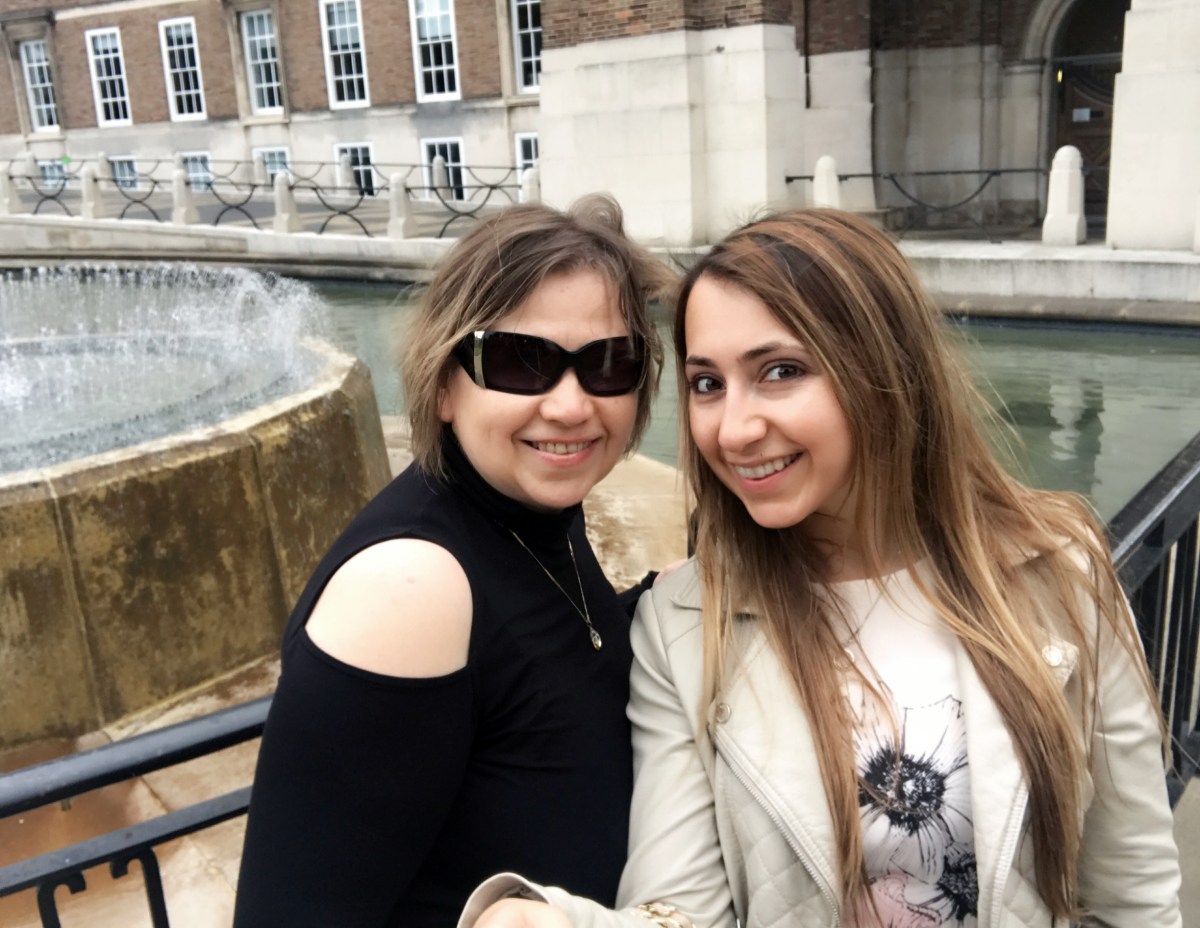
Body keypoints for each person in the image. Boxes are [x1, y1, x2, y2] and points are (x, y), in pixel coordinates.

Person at [463, 209, 1182, 928]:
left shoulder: (1060, 569)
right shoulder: (682, 624)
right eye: (708, 383)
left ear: (884, 370)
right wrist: (550, 920)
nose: (734, 429)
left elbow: (1136, 895)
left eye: (781, 372)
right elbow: (680, 911)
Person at [233, 195, 674, 927]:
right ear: (443, 385)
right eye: (520, 360)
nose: (571, 405)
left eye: (609, 363)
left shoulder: (537, 515)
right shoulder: (411, 588)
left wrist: (662, 600)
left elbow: (540, 663)